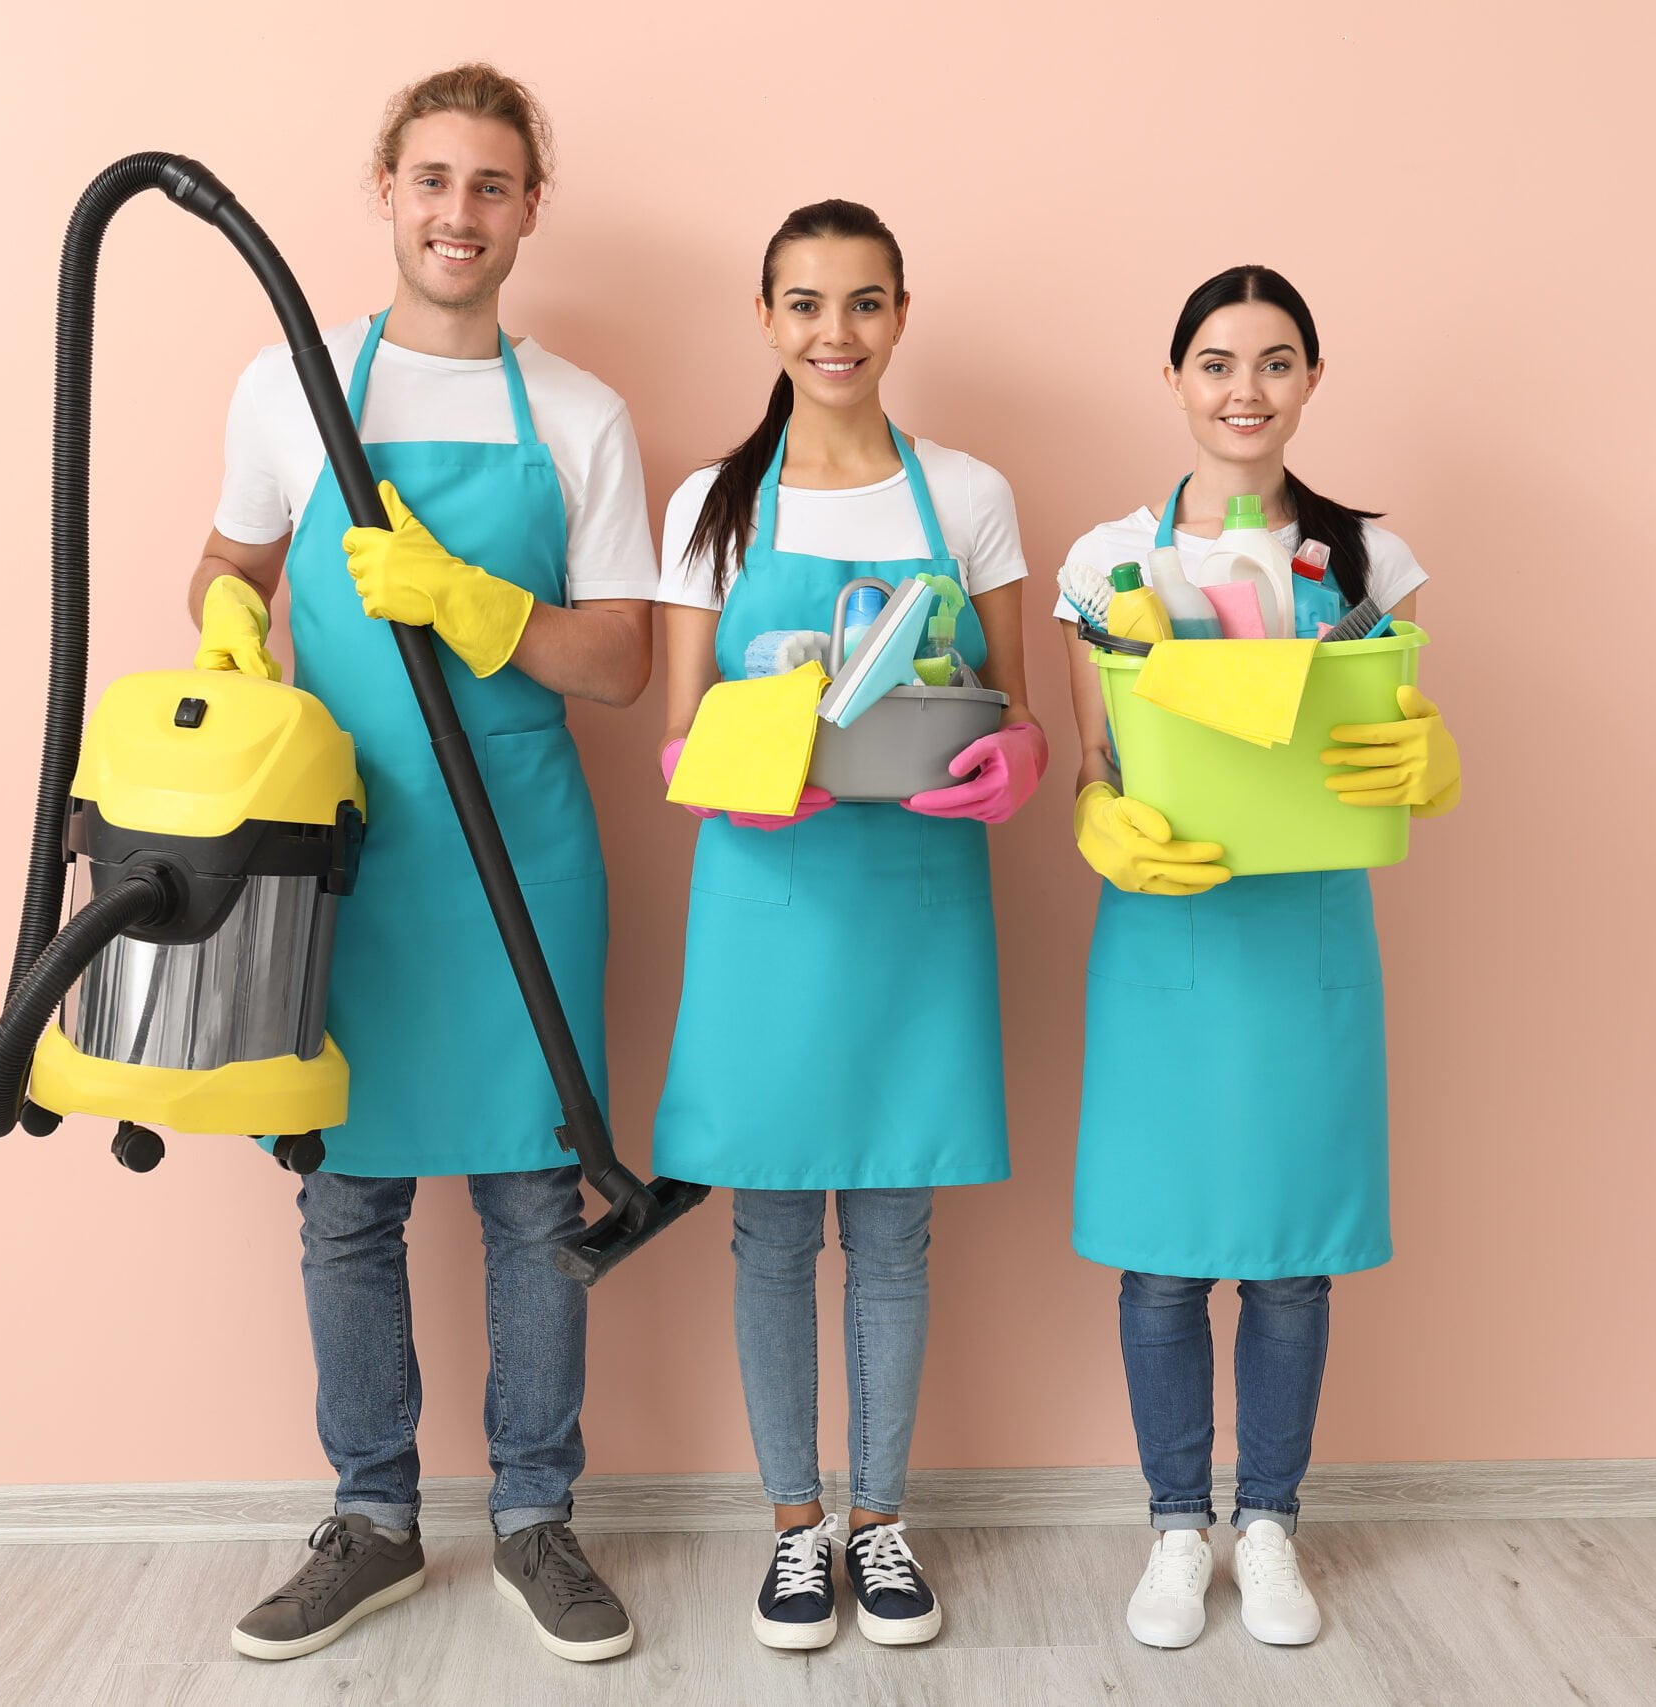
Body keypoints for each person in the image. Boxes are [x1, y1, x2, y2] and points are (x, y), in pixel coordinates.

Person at [189, 63, 656, 1665]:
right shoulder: (294, 385)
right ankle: (373, 1521)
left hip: (525, 844)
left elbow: (621, 670)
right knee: (348, 1203)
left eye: (495, 186)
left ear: (532, 209)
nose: (461, 214)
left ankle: (538, 1520)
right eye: (435, 180)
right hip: (346, 859)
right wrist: (231, 624)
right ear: (387, 188)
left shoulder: (582, 416)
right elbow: (237, 555)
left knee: (537, 1197)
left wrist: (475, 603)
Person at [650, 199, 1047, 1651]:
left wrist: (1021, 768)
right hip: (767, 898)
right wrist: (737, 787)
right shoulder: (712, 503)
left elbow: (1019, 713)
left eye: (864, 303)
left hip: (917, 900)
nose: (836, 332)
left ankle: (884, 1522)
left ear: (901, 314)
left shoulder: (972, 496)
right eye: (806, 304)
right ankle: (794, 1530)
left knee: (892, 1224)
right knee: (767, 1228)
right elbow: (679, 736)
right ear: (766, 319)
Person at [1056, 265, 1463, 1653]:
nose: (1246, 390)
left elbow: (1391, 742)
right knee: (1166, 1257)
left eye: (1276, 362)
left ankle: (1271, 1525)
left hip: (1307, 946)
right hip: (1168, 937)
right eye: (1218, 362)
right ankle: (1179, 1529)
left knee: (1292, 1257)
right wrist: (1099, 819)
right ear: (1175, 379)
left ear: (1311, 382)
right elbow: (1096, 764)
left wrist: (1433, 764)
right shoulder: (1113, 565)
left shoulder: (1368, 565)